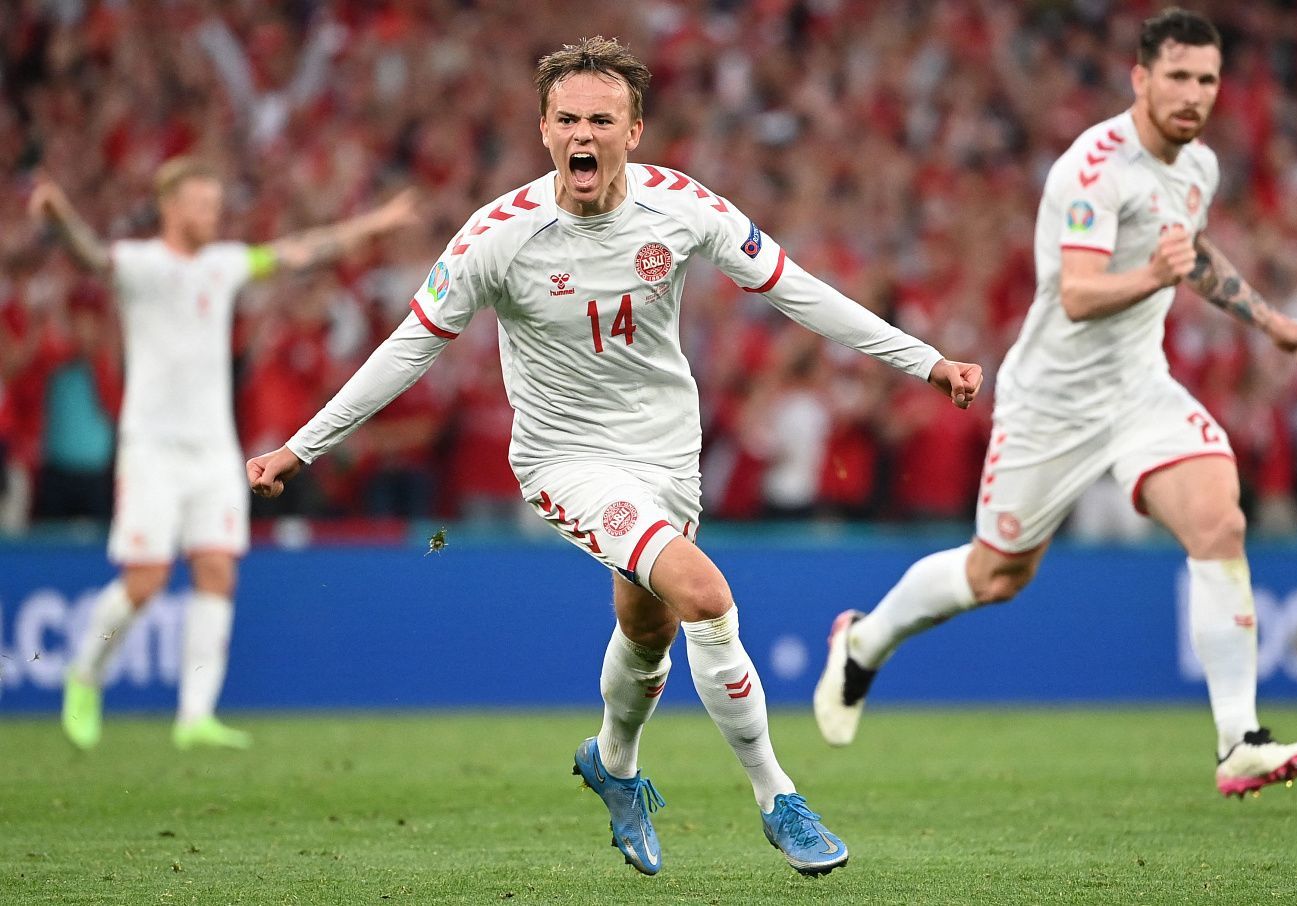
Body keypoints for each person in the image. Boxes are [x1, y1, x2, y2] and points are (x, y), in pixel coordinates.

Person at [247, 37, 982, 876]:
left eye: (601, 120)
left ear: (634, 131)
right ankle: (778, 797)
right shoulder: (498, 236)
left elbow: (797, 290)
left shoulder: (682, 208)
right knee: (705, 595)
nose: (582, 135)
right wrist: (303, 446)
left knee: (649, 629)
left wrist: (925, 361)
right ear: (543, 129)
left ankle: (613, 764)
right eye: (567, 120)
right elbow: (410, 347)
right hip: (565, 459)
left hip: (667, 454)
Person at [813, 8, 1297, 800]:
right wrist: (1156, 275)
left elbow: (1186, 251)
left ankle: (1239, 742)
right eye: (1177, 77)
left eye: (1207, 79)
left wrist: (1271, 321)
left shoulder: (1199, 166)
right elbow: (1081, 293)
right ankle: (863, 643)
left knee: (1220, 522)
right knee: (994, 576)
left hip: (1139, 389)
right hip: (1051, 401)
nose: (1193, 94)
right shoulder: (1092, 168)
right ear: (1140, 78)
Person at [29, 157, 417, 751]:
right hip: (152, 449)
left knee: (217, 571)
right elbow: (89, 256)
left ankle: (195, 716)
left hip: (214, 450)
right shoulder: (140, 264)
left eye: (216, 204)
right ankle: (85, 675)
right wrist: (58, 217)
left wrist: (374, 223)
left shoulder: (225, 264)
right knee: (145, 582)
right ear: (171, 207)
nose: (214, 215)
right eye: (203, 204)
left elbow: (298, 251)